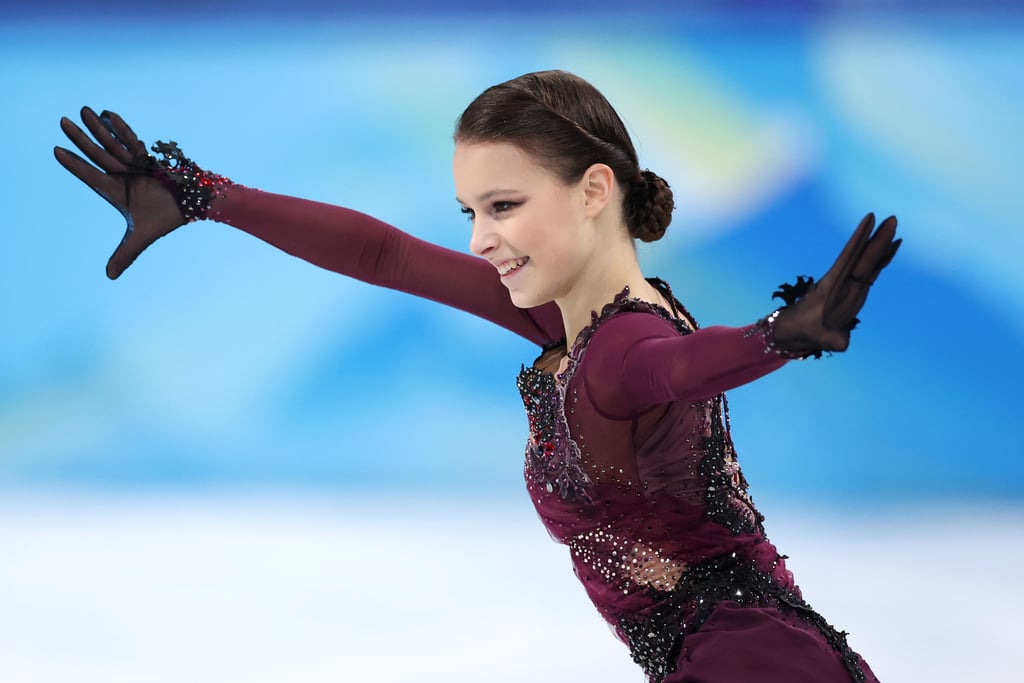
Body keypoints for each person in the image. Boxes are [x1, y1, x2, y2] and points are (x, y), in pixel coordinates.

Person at [54, 70, 899, 682]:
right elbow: (384, 253)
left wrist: (781, 336)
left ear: (595, 189)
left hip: (750, 663)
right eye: (471, 212)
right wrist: (205, 196)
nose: (479, 239)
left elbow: (676, 367)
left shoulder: (622, 347)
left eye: (504, 206)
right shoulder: (565, 321)